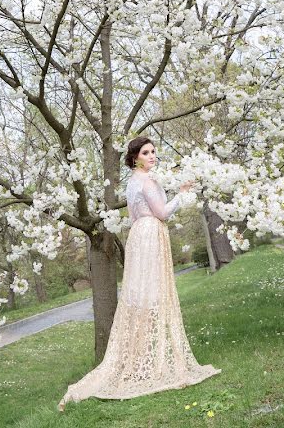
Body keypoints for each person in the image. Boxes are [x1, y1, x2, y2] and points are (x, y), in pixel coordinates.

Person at [57, 136, 221, 411]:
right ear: (135, 158)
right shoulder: (147, 182)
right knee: (154, 294)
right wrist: (181, 195)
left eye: (155, 151)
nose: (153, 156)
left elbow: (136, 216)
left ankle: (140, 357)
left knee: (142, 295)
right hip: (151, 235)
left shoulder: (132, 183)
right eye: (147, 152)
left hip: (138, 236)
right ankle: (149, 360)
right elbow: (163, 212)